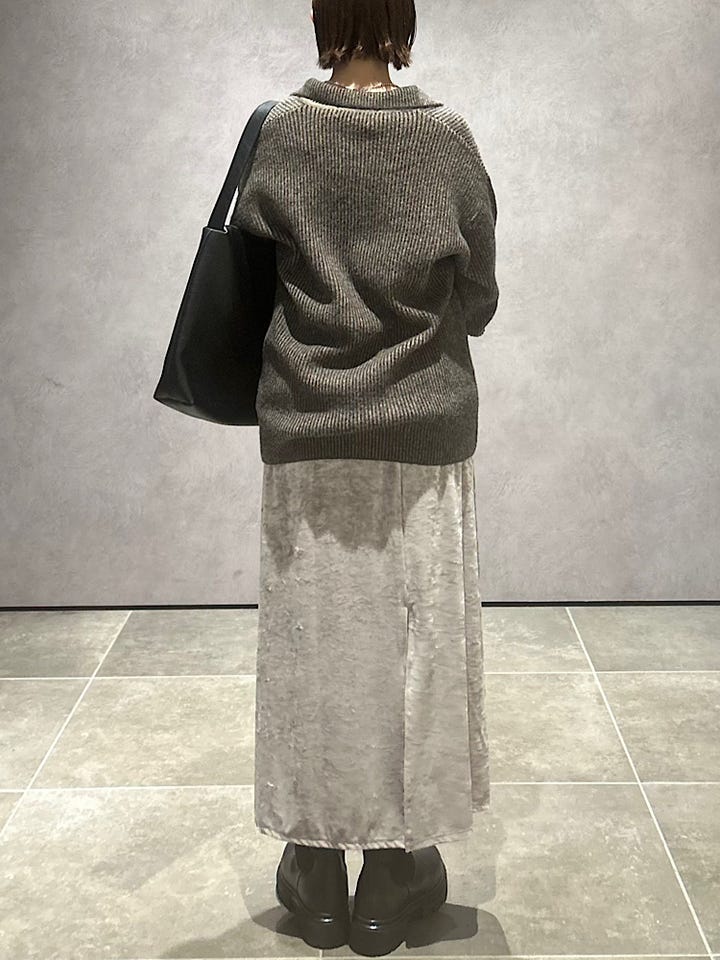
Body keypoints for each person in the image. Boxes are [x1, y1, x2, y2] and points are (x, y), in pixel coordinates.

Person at [230, 0, 499, 954]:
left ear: (322, 16)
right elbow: (480, 294)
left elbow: (249, 286)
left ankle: (314, 870)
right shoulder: (447, 138)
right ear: (403, 20)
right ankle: (393, 873)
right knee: (418, 646)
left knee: (311, 649)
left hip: (308, 428)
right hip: (423, 430)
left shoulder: (281, 134)